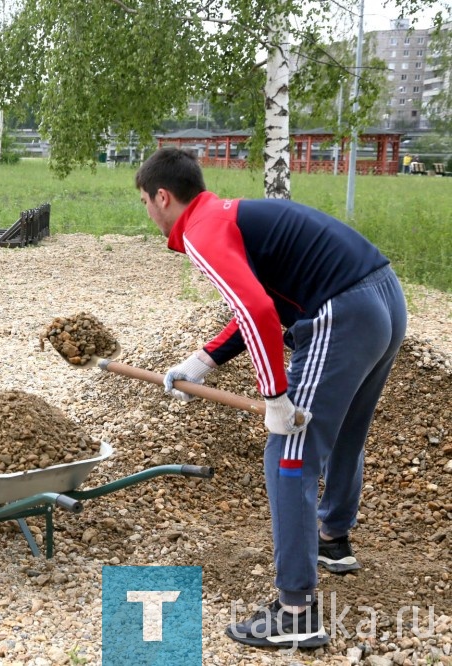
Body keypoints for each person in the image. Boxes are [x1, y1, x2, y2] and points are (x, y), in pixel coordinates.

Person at [135, 147, 406, 649]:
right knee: (345, 429)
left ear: (163, 197)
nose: (147, 213)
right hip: (383, 296)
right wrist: (202, 361)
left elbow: (257, 309)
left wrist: (276, 397)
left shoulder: (200, 231)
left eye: (146, 202)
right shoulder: (226, 215)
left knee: (290, 452)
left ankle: (295, 611)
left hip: (342, 311)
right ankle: (333, 540)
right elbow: (265, 303)